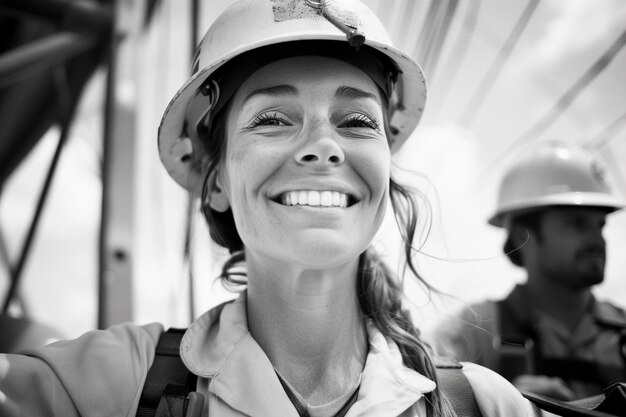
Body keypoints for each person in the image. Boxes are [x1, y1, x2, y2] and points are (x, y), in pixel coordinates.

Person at [0, 1, 538, 416]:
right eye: (272, 119)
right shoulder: (117, 382)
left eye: (357, 121)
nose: (324, 144)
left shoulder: (479, 403)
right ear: (215, 184)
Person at [429, 140, 626, 401]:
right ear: (524, 236)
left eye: (599, 225)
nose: (597, 240)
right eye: (577, 224)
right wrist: (500, 404)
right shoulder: (472, 334)